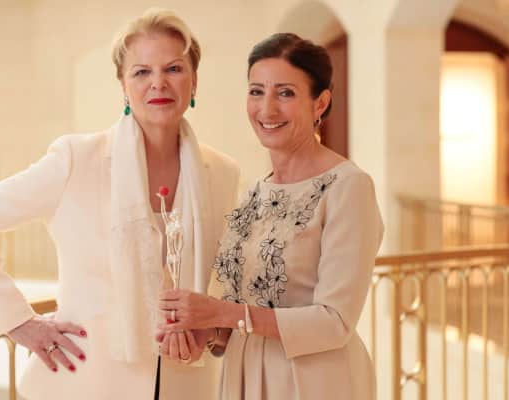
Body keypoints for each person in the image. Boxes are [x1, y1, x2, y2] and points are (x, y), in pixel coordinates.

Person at [0, 8, 239, 400]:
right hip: (85, 382)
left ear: (194, 80)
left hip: (188, 384)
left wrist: (212, 331)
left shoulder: (222, 172)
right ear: (123, 86)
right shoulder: (76, 159)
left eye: (173, 68)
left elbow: (224, 281)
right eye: (141, 72)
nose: (158, 83)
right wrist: (17, 321)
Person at [158, 33, 384, 400]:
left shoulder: (348, 187)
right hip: (245, 376)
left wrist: (222, 313)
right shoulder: (255, 191)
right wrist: (207, 331)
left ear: (321, 102)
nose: (267, 109)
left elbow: (335, 322)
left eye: (286, 93)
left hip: (314, 383)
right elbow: (248, 306)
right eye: (256, 91)